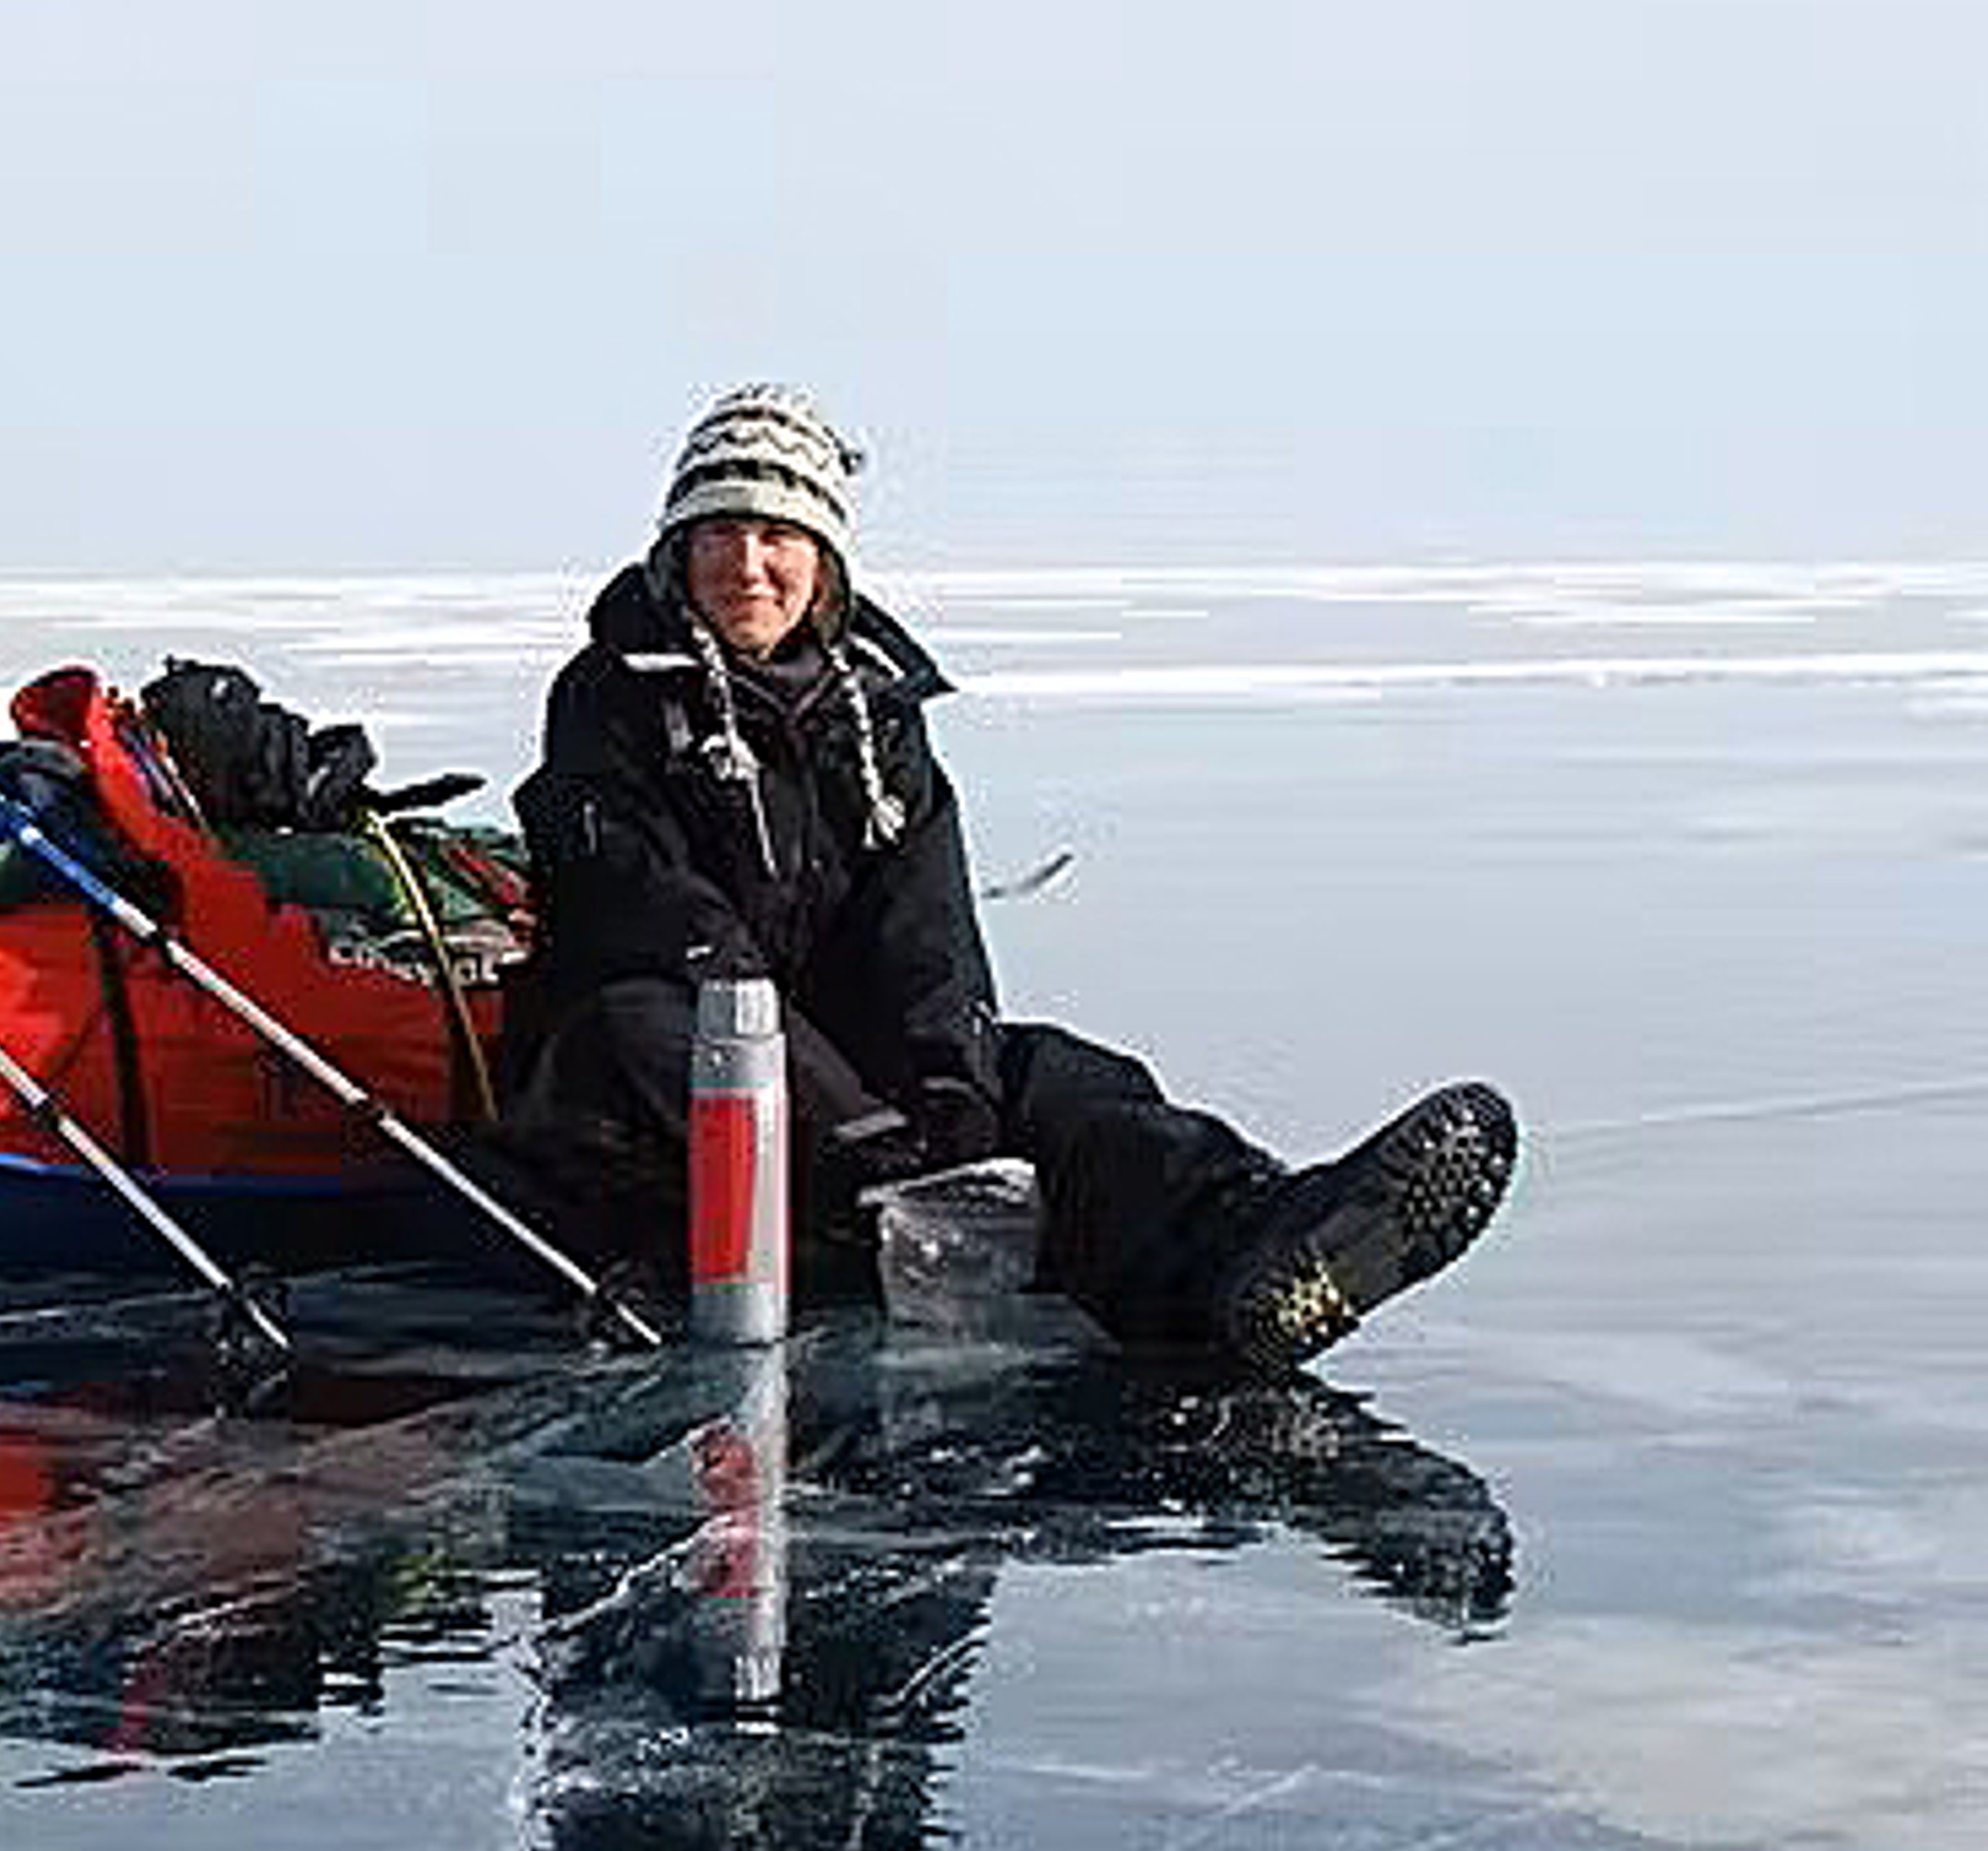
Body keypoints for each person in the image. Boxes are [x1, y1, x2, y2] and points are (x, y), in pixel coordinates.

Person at [495, 385, 1517, 1372]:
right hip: (664, 1071)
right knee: (664, 1028)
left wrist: (949, 1100)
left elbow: (923, 927)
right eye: (720, 533)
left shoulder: (876, 716)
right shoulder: (609, 702)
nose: (748, 565)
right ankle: (881, 1204)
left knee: (1057, 1078)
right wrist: (863, 1131)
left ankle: (1254, 1243)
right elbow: (655, 919)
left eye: (779, 535)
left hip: (844, 1063)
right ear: (679, 549)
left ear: (824, 559)